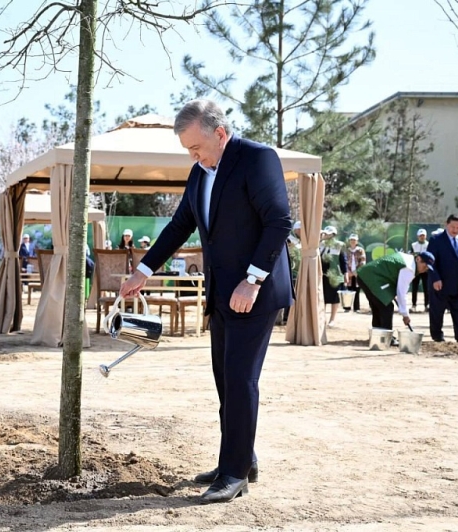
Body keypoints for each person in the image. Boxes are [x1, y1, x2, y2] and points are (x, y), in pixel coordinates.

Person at [119, 99, 292, 503]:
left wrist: (252, 280)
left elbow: (278, 221)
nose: (193, 157)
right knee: (224, 381)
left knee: (240, 380)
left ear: (219, 132)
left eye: (196, 148)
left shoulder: (257, 158)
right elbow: (182, 224)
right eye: (187, 151)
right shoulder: (200, 172)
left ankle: (234, 476)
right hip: (221, 293)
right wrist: (143, 271)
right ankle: (239, 457)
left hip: (255, 292)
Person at [356, 251, 435, 346]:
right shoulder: (409, 268)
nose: (425, 269)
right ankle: (386, 338)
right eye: (425, 266)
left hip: (365, 275)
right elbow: (401, 292)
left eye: (428, 268)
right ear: (418, 259)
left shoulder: (408, 259)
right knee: (387, 306)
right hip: (372, 277)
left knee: (378, 306)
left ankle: (377, 335)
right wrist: (405, 314)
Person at [426, 214, 458, 342]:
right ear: (446, 224)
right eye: (453, 227)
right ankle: (437, 335)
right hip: (441, 283)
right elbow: (430, 262)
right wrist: (435, 278)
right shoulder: (436, 240)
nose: (455, 230)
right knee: (437, 310)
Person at [319, 226, 346, 327]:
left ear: (334, 234)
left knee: (335, 297)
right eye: (325, 233)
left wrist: (345, 274)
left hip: (334, 275)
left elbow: (343, 261)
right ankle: (322, 318)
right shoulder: (319, 244)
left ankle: (332, 319)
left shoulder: (339, 245)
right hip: (321, 274)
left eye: (329, 234)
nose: (327, 235)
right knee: (323, 296)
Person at [343, 234, 366, 312]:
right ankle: (347, 307)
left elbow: (363, 261)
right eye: (351, 240)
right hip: (348, 273)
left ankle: (356, 308)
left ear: (357, 241)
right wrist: (347, 271)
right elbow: (344, 261)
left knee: (356, 290)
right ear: (349, 241)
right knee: (348, 290)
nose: (353, 241)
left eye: (354, 240)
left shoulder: (360, 250)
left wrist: (356, 271)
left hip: (357, 273)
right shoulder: (346, 250)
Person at [410, 228, 430, 312]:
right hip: (416, 269)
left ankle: (427, 305)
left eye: (423, 236)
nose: (422, 237)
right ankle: (414, 305)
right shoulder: (413, 245)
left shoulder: (429, 244)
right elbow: (411, 256)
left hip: (425, 270)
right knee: (415, 287)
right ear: (418, 236)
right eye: (420, 236)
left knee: (426, 287)